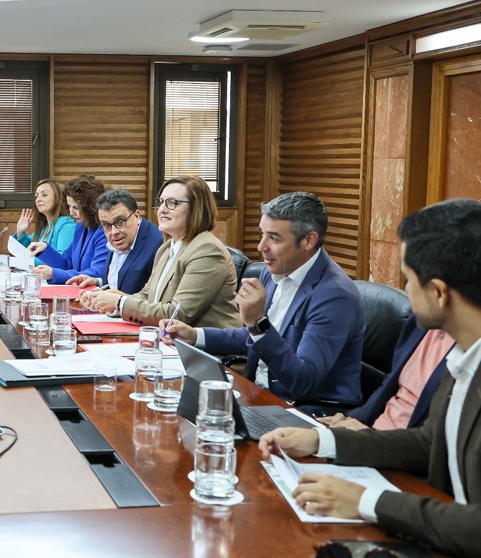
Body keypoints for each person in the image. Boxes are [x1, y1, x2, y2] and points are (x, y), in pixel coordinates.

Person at [258, 199, 481, 558]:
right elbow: (429, 442)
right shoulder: (464, 353)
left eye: (408, 279)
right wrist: (323, 440)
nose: (405, 290)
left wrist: (366, 501)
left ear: (439, 293)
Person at [162, 191, 364, 409]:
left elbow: (303, 381)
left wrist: (258, 322)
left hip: (306, 409)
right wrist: (196, 335)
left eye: (274, 238)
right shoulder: (274, 271)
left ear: (308, 240)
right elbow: (254, 337)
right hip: (258, 396)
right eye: (262, 234)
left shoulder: (335, 296)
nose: (261, 247)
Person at [82, 177, 239, 327]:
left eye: (172, 203)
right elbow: (147, 296)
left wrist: (119, 303)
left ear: (197, 208)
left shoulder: (207, 250)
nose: (162, 210)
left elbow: (178, 314)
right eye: (161, 202)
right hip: (167, 339)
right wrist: (109, 298)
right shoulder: (167, 247)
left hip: (201, 344)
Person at [318, 314, 454, 431]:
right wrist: (351, 419)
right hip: (372, 434)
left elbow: (434, 440)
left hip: (398, 447)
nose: (409, 292)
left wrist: (369, 437)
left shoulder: (464, 352)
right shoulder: (418, 323)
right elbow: (390, 385)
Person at [67, 188, 161, 295]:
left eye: (120, 222)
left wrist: (119, 301)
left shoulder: (158, 244)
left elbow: (155, 298)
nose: (114, 232)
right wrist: (98, 282)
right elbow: (119, 281)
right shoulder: (119, 239)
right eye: (107, 225)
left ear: (136, 216)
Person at [28, 174, 108, 284]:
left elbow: (96, 273)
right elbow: (65, 263)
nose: (71, 212)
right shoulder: (80, 227)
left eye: (75, 207)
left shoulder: (103, 232)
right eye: (69, 206)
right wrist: (45, 250)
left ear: (90, 206)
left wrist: (54, 274)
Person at [12, 178, 76, 262]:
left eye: (44, 195)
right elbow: (24, 251)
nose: (38, 199)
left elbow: (62, 261)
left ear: (57, 198)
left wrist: (26, 260)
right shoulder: (45, 228)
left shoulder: (67, 225)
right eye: (36, 196)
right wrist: (20, 232)